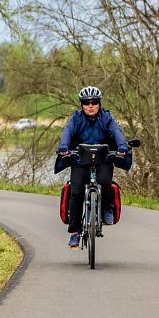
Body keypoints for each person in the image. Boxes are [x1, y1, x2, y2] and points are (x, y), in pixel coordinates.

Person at [55, 86, 129, 248]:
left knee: (105, 182)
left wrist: (122, 146)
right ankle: (74, 232)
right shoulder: (76, 118)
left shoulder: (107, 117)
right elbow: (67, 132)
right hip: (79, 160)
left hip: (103, 159)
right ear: (81, 104)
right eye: (86, 103)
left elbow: (116, 131)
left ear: (99, 104)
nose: (90, 106)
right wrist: (63, 146)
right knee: (76, 192)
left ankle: (106, 210)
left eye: (94, 102)